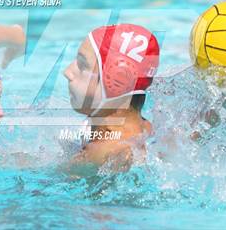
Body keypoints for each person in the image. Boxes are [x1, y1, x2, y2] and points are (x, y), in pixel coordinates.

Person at [63, 23, 160, 170]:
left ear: (117, 81)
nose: (68, 72)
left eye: (82, 65)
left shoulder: (99, 155)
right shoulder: (149, 130)